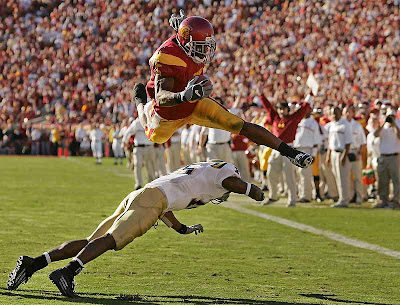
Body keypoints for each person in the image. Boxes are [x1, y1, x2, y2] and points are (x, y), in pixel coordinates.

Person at [7, 160, 265, 297]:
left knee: (92, 241)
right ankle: (68, 273)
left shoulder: (199, 172)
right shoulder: (225, 173)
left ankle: (34, 263)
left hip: (143, 194)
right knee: (112, 240)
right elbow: (231, 182)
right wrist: (253, 190)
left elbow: (167, 207)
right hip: (153, 200)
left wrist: (182, 229)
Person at [132, 12, 313, 170]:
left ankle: (291, 153)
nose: (205, 52)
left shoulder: (187, 41)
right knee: (155, 136)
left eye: (207, 46)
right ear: (186, 42)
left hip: (193, 102)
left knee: (237, 124)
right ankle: (140, 104)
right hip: (167, 113)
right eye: (200, 47)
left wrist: (182, 25)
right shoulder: (167, 56)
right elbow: (161, 97)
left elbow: (185, 33)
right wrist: (184, 95)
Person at [325, 107, 353, 208]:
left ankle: (344, 200)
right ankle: (341, 198)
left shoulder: (345, 124)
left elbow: (348, 142)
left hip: (341, 153)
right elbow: (330, 142)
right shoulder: (332, 125)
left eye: (336, 113)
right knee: (337, 177)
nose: (334, 115)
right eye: (332, 113)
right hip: (333, 153)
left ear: (340, 113)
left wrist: (344, 156)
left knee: (343, 178)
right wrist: (328, 156)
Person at [373, 110, 400, 208]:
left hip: (394, 157)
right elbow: (375, 134)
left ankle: (396, 201)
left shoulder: (398, 125)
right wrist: (384, 122)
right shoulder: (382, 127)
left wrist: (394, 125)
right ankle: (383, 200)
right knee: (382, 180)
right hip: (383, 156)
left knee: (396, 180)